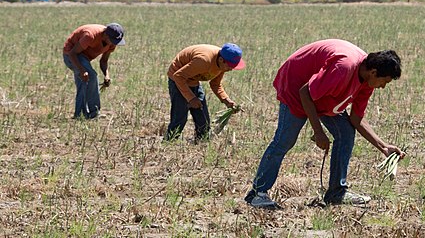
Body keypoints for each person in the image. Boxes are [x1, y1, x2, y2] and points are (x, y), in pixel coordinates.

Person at [245, 39, 405, 209]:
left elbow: (356, 120)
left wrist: (383, 147)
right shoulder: (343, 69)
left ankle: (337, 193)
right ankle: (257, 194)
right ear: (373, 72)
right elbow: (305, 93)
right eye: (385, 82)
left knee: (346, 133)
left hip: (324, 92)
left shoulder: (367, 81)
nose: (383, 87)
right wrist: (318, 131)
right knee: (285, 140)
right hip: (297, 87)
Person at [164, 43, 245, 142]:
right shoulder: (204, 61)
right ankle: (168, 142)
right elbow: (178, 76)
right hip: (178, 80)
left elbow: (215, 84)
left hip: (193, 80)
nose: (231, 69)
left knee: (203, 120)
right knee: (180, 118)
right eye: (230, 66)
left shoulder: (222, 63)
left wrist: (226, 100)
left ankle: (202, 142)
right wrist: (191, 98)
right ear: (221, 60)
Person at [62, 23, 126, 119]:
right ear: (105, 35)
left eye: (116, 41)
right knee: (89, 77)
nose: (113, 44)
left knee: (89, 77)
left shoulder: (112, 43)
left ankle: (91, 113)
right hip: (70, 54)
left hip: (83, 57)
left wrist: (106, 75)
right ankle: (82, 114)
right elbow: (72, 53)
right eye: (112, 40)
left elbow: (104, 61)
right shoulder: (90, 35)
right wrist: (81, 70)